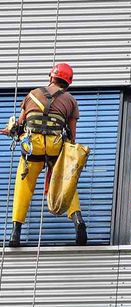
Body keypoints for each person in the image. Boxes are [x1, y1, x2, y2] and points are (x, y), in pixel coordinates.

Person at [1, 63, 87, 247]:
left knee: (23, 185)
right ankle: (78, 220)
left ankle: (15, 231)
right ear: (68, 82)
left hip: (33, 145)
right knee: (66, 184)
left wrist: (11, 131)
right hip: (55, 145)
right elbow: (72, 135)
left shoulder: (32, 94)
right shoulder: (71, 100)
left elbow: (19, 124)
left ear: (51, 77)